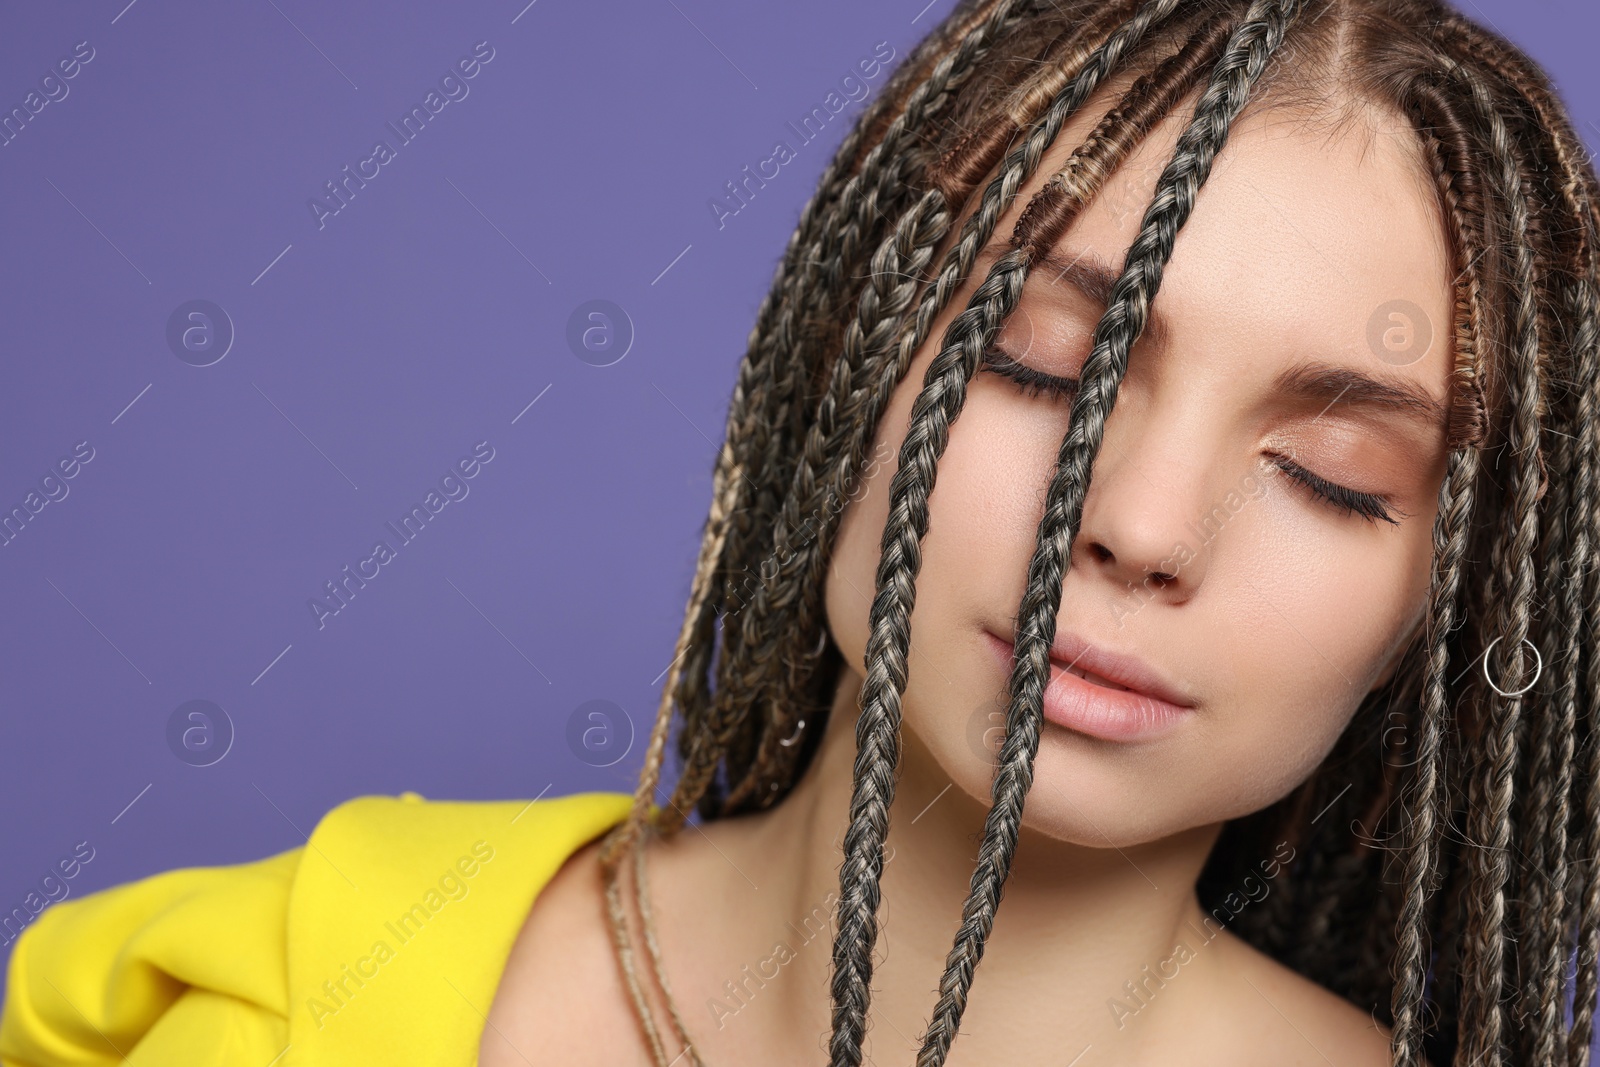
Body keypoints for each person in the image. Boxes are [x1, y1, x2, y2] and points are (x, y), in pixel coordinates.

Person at [3, 0, 1597, 1064]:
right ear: (850, 360)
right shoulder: (271, 1000)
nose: (1136, 527)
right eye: (1041, 362)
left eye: (1329, 473)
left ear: (1440, 598)